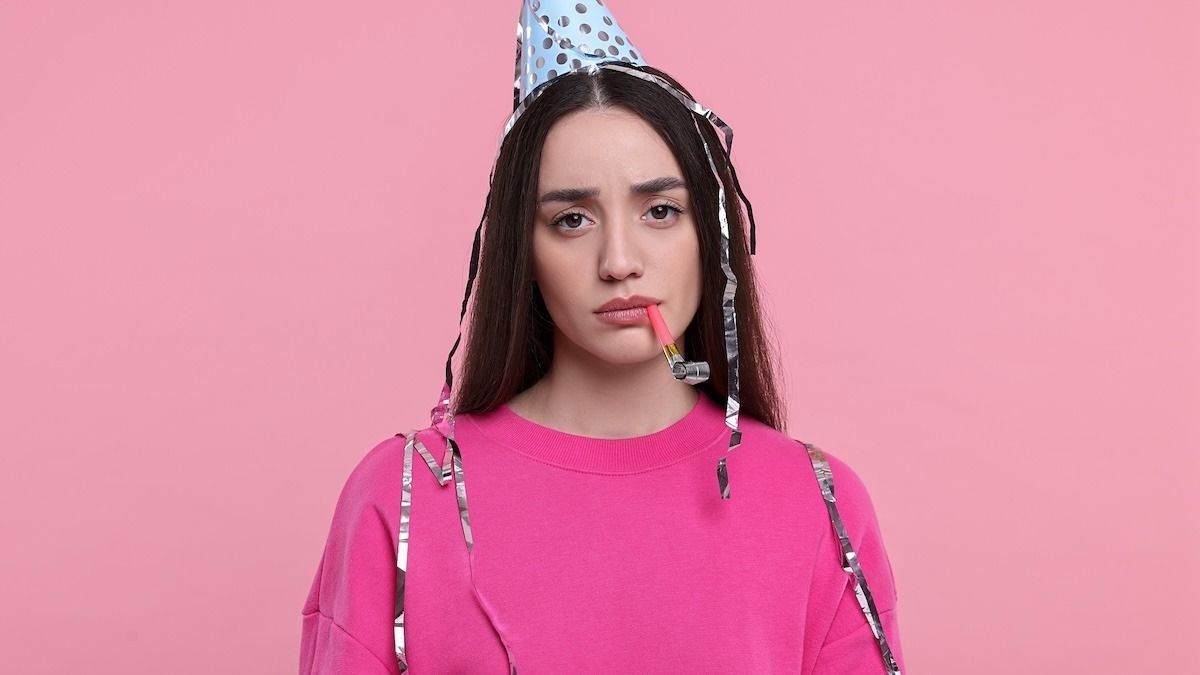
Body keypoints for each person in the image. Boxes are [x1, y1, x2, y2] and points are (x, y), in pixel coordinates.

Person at [300, 1, 905, 673]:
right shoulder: (401, 495)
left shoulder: (818, 504)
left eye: (660, 210)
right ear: (523, 251)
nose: (619, 261)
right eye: (572, 219)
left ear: (711, 235)